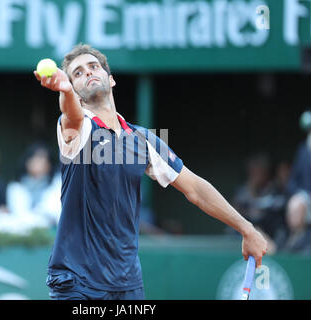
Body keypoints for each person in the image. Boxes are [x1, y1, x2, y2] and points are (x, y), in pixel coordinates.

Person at [33, 44, 267, 300]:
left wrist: (247, 229)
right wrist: (65, 91)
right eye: (77, 74)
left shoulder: (142, 140)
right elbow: (71, 116)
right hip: (78, 283)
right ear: (75, 91)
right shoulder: (76, 131)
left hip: (127, 284)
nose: (88, 73)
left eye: (93, 67)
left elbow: (196, 189)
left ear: (110, 79)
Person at [6, 142, 62, 226]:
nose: (39, 162)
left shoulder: (57, 183)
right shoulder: (15, 187)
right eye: (35, 158)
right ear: (27, 162)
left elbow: (53, 213)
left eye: (43, 158)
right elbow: (19, 215)